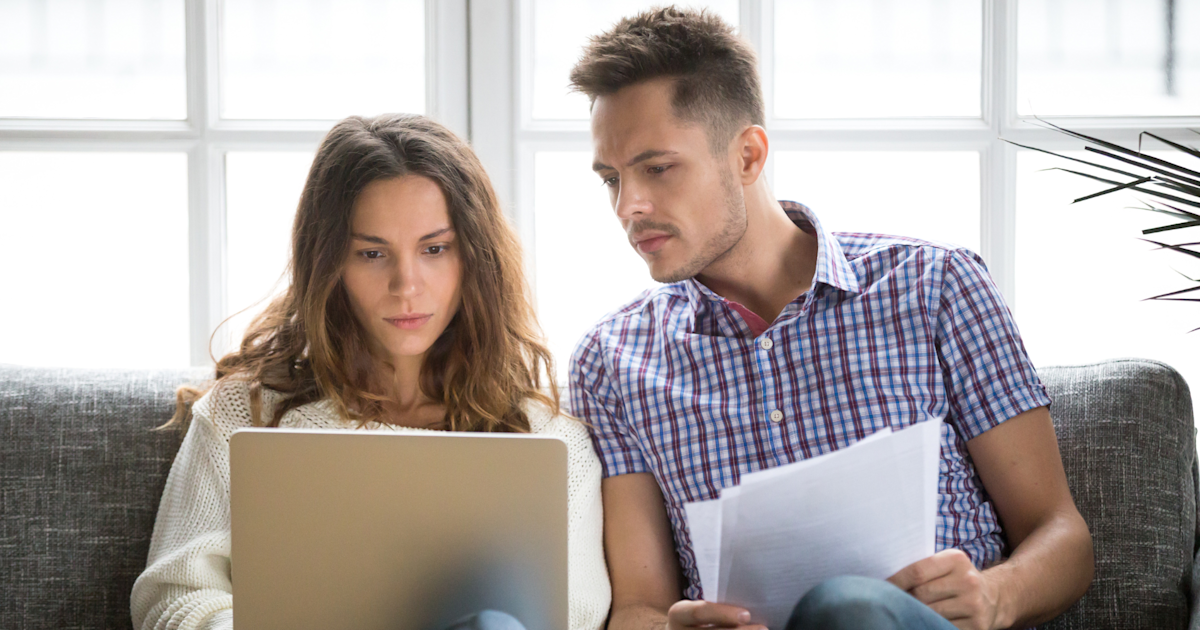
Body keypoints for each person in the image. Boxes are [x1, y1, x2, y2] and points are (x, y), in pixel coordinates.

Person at [565, 7, 1093, 630]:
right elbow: (639, 606)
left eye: (656, 168)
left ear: (747, 155)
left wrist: (995, 594)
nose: (630, 207)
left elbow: (1062, 537)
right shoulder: (612, 360)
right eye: (610, 180)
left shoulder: (935, 287)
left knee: (847, 608)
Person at [130, 114, 611, 630]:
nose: (406, 285)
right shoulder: (243, 414)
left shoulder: (549, 439)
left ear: (476, 257)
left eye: (434, 249)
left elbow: (575, 614)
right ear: (329, 264)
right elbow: (175, 596)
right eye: (372, 253)